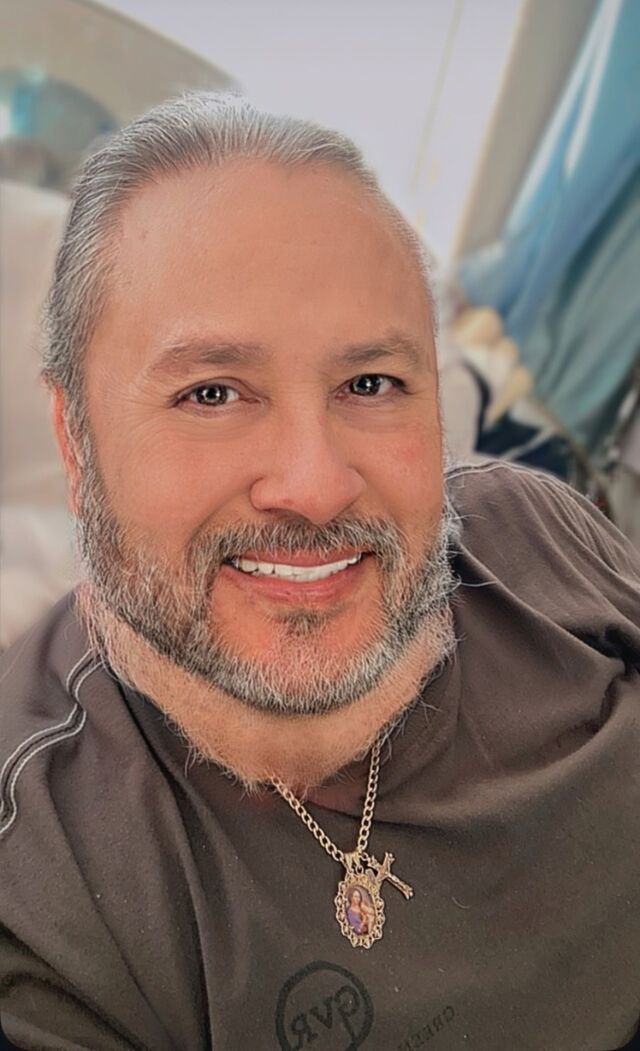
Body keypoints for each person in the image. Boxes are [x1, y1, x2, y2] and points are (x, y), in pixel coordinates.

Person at [0, 93, 638, 1051]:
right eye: (212, 392)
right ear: (75, 441)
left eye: (371, 383)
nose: (315, 485)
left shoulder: (539, 531)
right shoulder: (48, 889)